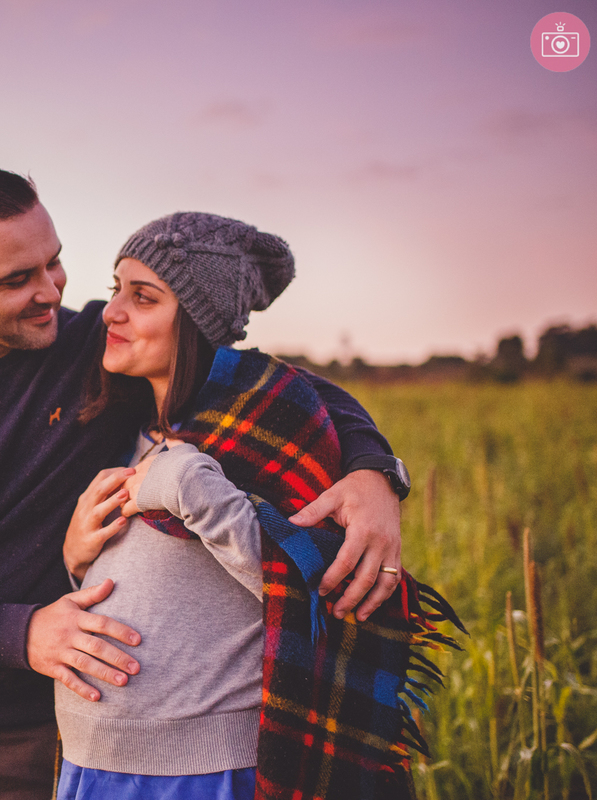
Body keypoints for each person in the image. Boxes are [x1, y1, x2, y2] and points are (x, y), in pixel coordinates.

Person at [0, 165, 407, 799]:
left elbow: (278, 386)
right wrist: (25, 631)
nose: (50, 291)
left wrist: (373, 471)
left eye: (55, 263)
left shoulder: (94, 348)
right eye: (18, 279)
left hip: (60, 724)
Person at [56, 212, 434, 799]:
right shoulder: (124, 426)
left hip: (204, 770)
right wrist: (77, 556)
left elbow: (314, 585)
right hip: (93, 760)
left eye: (143, 296)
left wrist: (193, 490)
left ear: (197, 322)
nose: (111, 311)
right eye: (115, 289)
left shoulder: (269, 420)